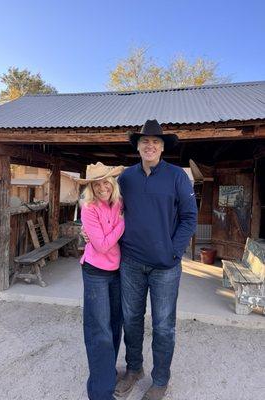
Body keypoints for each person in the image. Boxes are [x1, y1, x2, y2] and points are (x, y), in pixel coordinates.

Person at [115, 119, 197, 400]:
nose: (150, 146)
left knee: (163, 325)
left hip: (166, 266)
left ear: (163, 148)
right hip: (131, 262)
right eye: (145, 142)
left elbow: (189, 218)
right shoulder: (125, 178)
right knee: (132, 319)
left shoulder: (177, 177)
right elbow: (107, 207)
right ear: (138, 147)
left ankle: (160, 379)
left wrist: (173, 251)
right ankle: (134, 369)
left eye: (155, 142)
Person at [77, 162, 125, 400]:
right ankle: (100, 392)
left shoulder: (118, 203)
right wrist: (122, 223)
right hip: (95, 271)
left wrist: (118, 222)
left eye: (106, 182)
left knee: (115, 325)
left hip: (117, 271)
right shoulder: (89, 208)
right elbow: (103, 245)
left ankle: (108, 372)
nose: (102, 187)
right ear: (91, 188)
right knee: (100, 330)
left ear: (112, 183)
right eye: (97, 184)